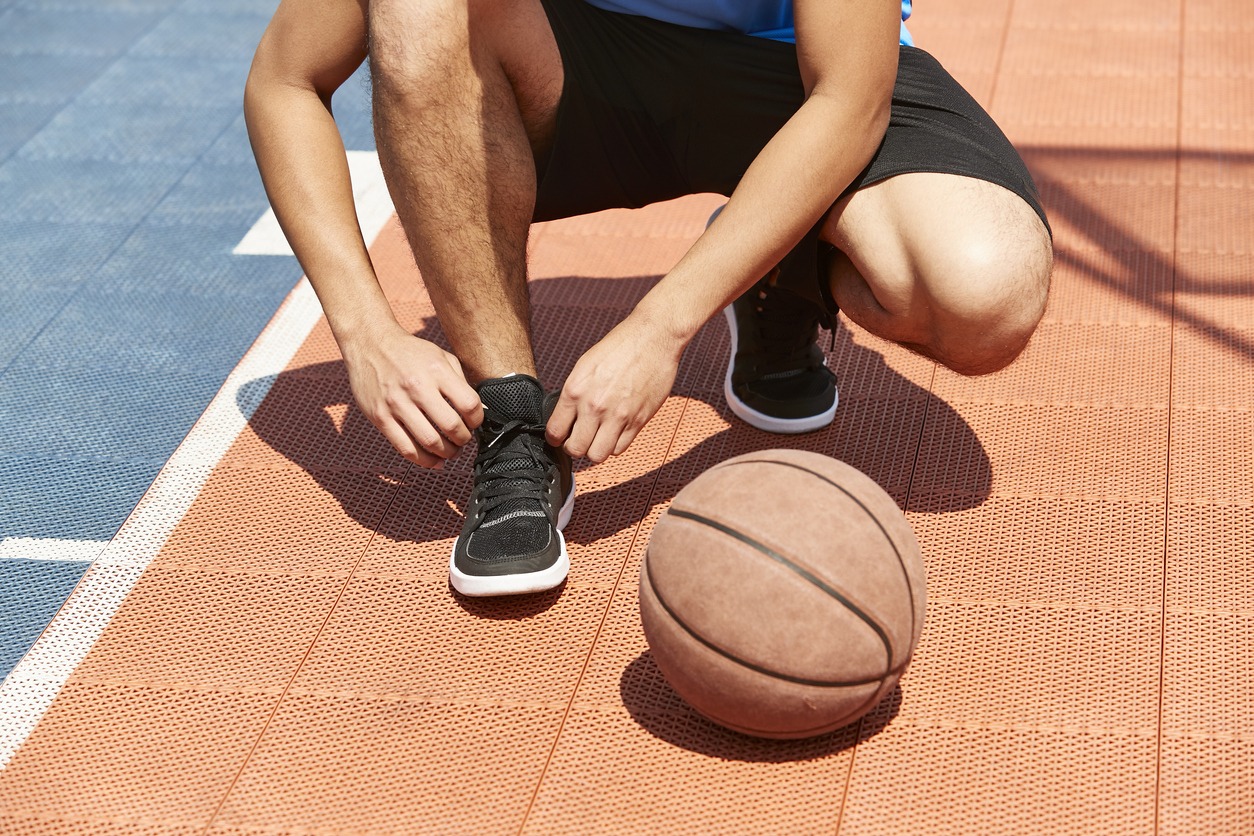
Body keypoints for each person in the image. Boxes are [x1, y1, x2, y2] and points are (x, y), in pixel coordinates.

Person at [244, 0, 1052, 597]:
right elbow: (285, 81)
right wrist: (366, 334)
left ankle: (775, 269)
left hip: (792, 77)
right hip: (572, 65)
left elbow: (849, 100)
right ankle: (513, 418)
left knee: (983, 298)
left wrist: (661, 325)